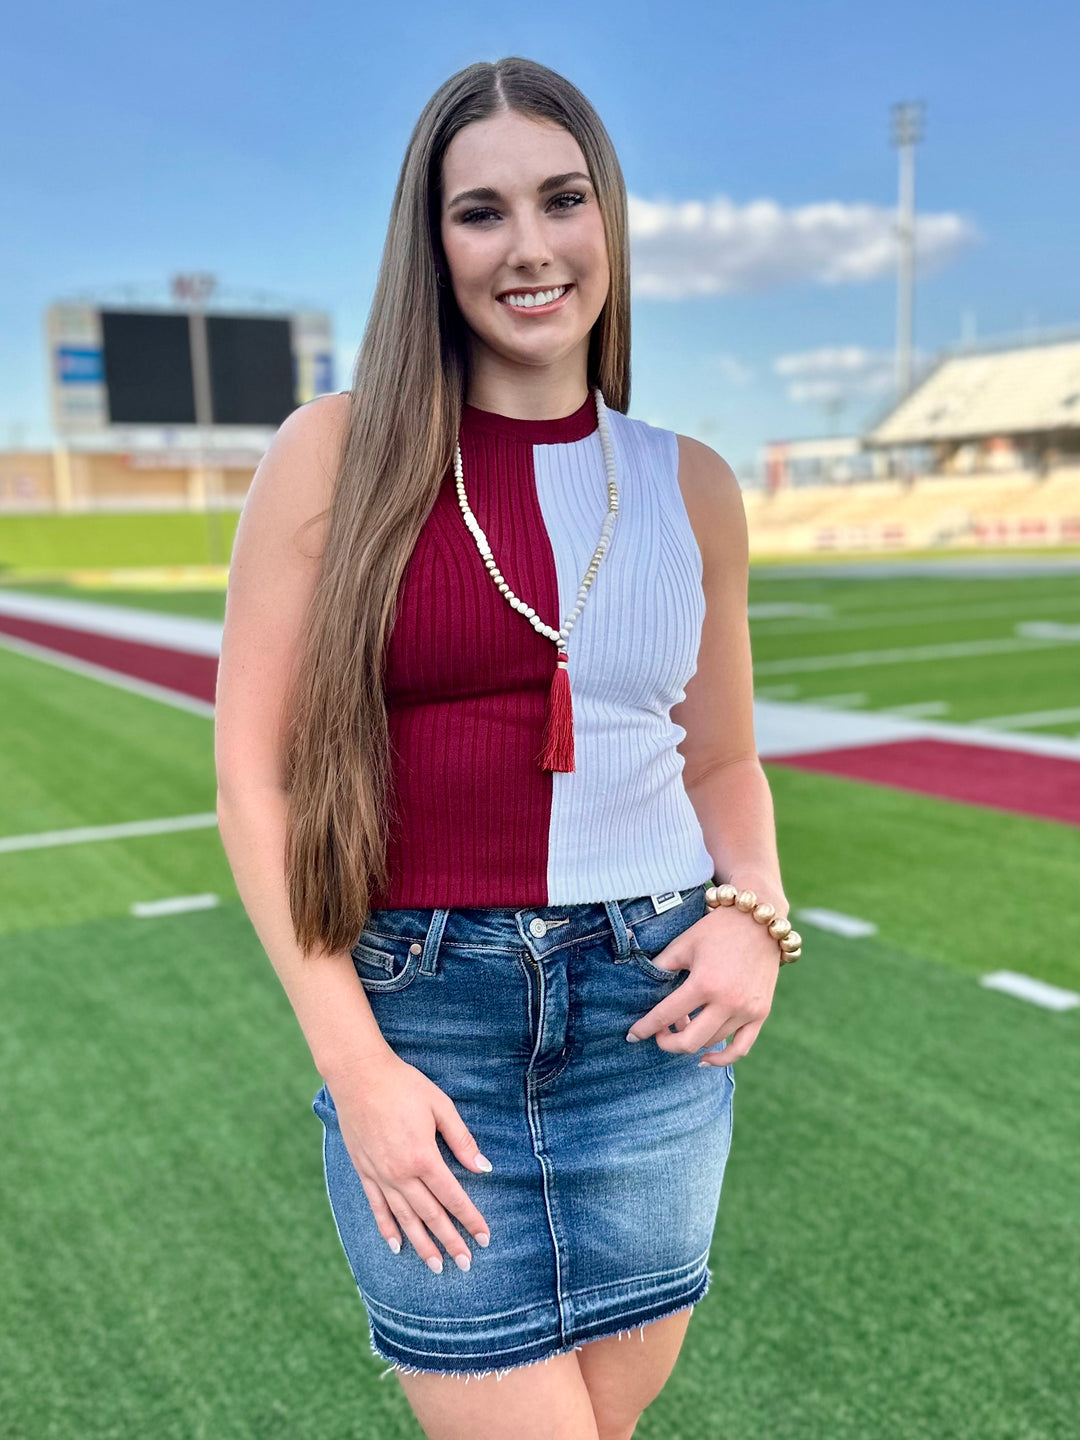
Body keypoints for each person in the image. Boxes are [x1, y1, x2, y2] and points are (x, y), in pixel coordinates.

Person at [215, 54, 795, 1440]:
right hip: (423, 1020)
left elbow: (721, 758)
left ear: (609, 221)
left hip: (649, 1016)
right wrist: (357, 1069)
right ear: (432, 245)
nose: (530, 246)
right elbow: (256, 774)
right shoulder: (332, 454)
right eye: (481, 212)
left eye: (562, 199)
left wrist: (755, 916)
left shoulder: (692, 485)